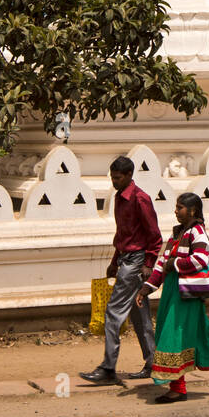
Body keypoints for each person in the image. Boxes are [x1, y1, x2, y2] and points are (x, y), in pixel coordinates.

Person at [136, 192, 209, 404]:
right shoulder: (178, 234)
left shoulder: (197, 232)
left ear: (192, 211)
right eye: (176, 207)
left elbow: (201, 259)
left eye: (180, 207)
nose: (176, 211)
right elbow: (162, 263)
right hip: (175, 291)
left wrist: (175, 265)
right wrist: (146, 288)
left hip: (185, 294)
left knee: (174, 336)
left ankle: (178, 389)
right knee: (194, 336)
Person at [80, 155, 162, 385]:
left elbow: (154, 236)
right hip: (126, 259)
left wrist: (148, 264)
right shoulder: (120, 197)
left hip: (135, 262)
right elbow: (123, 234)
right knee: (139, 314)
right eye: (112, 177)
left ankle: (108, 367)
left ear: (128, 176)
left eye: (117, 178)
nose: (113, 181)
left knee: (113, 313)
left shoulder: (140, 199)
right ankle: (153, 362)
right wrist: (115, 261)